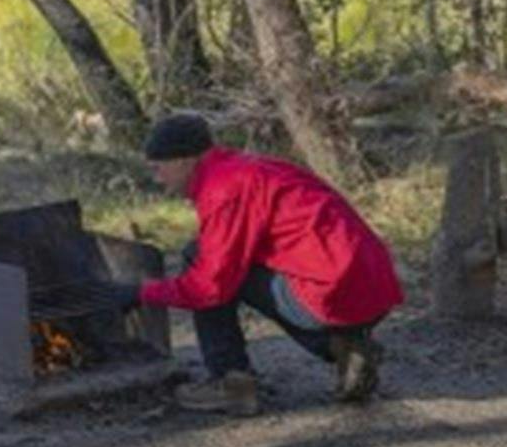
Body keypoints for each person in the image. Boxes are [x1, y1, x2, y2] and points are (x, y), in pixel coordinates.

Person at [129, 112, 403, 415]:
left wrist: (142, 292)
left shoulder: (222, 189)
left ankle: (230, 383)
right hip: (375, 286)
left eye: (158, 168)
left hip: (332, 292)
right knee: (218, 260)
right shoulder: (250, 168)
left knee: (201, 262)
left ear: (182, 160)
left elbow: (208, 287)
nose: (157, 179)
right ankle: (344, 346)